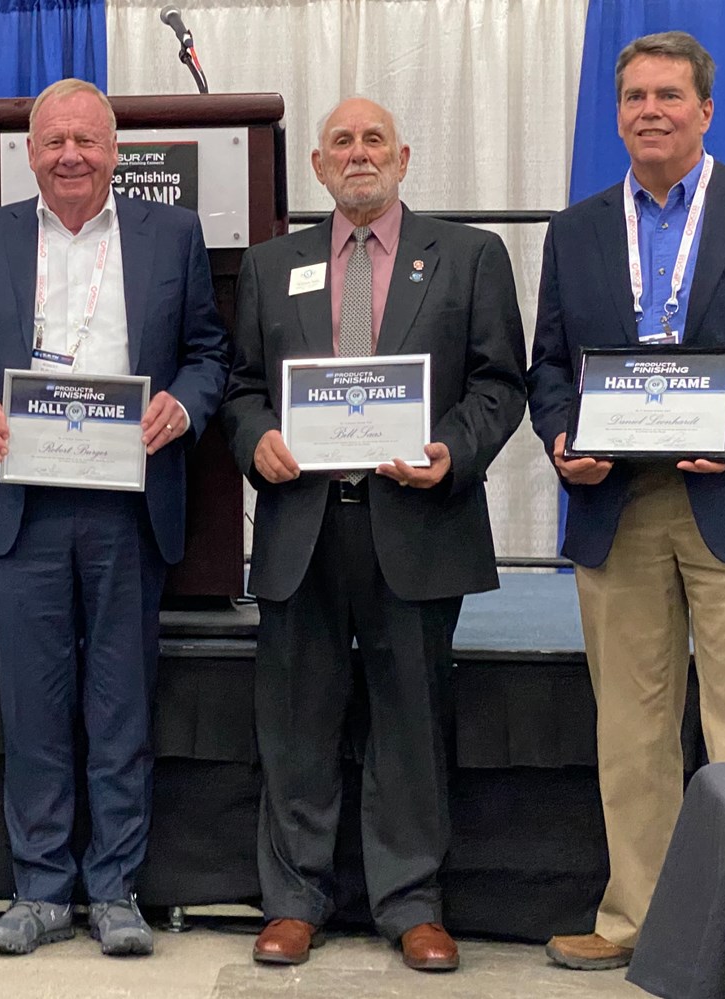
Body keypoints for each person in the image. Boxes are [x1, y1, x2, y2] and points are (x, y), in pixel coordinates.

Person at [528, 31, 725, 971]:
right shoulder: (578, 228)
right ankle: (640, 921)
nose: (650, 111)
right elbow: (550, 366)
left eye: (670, 95)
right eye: (633, 97)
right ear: (618, 112)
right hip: (617, 506)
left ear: (706, 111)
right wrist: (562, 439)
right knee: (628, 731)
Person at [222, 97, 526, 972]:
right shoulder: (273, 264)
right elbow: (243, 389)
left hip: (419, 520)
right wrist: (257, 441)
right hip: (301, 526)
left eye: (374, 141)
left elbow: (499, 384)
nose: (359, 155)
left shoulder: (469, 256)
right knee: (295, 721)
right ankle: (293, 900)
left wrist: (452, 451)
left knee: (412, 722)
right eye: (342, 143)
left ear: (404, 155)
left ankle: (411, 903)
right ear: (317, 165)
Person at [0, 78, 228, 957]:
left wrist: (182, 403)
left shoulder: (169, 233)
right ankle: (39, 889)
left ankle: (116, 888)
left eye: (86, 142)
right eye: (53, 141)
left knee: (120, 702)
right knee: (33, 703)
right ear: (29, 152)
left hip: (128, 504)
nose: (69, 156)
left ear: (115, 150)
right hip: (23, 504)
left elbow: (210, 352)